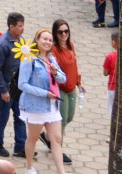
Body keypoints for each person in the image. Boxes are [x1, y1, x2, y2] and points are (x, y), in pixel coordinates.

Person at [19, 29, 69, 174]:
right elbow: (22, 84)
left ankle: (61, 172)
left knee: (57, 139)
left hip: (52, 106)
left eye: (50, 40)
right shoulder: (29, 59)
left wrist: (55, 72)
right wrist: (45, 94)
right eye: (44, 39)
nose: (48, 42)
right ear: (37, 40)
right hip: (36, 106)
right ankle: (29, 167)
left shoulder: (51, 58)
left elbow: (63, 79)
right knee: (33, 138)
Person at [0, 13, 27, 159]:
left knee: (20, 117)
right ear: (11, 26)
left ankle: (20, 147)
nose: (22, 28)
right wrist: (4, 90)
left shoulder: (21, 41)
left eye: (23, 25)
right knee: (3, 115)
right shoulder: (2, 44)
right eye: (20, 26)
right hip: (5, 87)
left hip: (18, 87)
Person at [49, 19, 80, 164]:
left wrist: (79, 81)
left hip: (72, 87)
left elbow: (74, 65)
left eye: (66, 31)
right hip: (60, 89)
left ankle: (49, 138)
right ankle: (57, 149)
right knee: (61, 120)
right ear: (56, 33)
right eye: (60, 32)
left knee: (69, 117)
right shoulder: (54, 50)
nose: (64, 34)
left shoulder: (70, 45)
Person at [103, 32, 118, 116]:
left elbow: (105, 73)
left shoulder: (110, 56)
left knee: (112, 110)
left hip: (112, 87)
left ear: (113, 42)